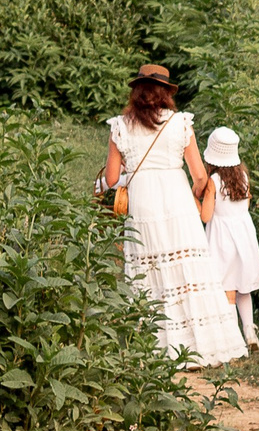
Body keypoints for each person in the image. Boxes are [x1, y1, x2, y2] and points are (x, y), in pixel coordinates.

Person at [100, 65, 246, 366]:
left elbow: (112, 179)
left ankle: (151, 346)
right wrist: (193, 194)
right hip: (177, 198)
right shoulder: (180, 124)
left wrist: (134, 166)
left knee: (149, 267)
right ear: (166, 93)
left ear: (137, 92)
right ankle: (202, 345)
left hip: (143, 200)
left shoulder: (120, 126)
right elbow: (199, 176)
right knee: (187, 268)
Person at [200, 126, 259, 349]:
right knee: (243, 288)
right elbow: (245, 205)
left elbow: (206, 216)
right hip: (244, 236)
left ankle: (232, 339)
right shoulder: (244, 177)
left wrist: (195, 200)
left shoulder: (213, 182)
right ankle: (250, 332)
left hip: (222, 241)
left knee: (228, 289)